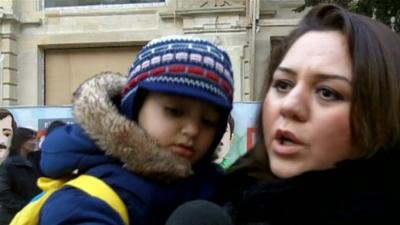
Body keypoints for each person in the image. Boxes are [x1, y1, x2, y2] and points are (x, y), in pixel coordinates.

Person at [216, 4, 400, 225]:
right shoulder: (224, 198)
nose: (289, 106)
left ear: (380, 117)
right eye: (283, 85)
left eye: (327, 92)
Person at [38, 35, 234, 225]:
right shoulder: (85, 199)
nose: (192, 130)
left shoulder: (224, 190)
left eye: (208, 121)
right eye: (174, 111)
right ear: (134, 107)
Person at [0, 127, 41, 225]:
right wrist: (26, 207)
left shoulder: (36, 161)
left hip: (32, 215)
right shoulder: (8, 165)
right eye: (31, 139)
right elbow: (3, 193)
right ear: (21, 141)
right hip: (13, 218)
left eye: (35, 139)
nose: (35, 142)